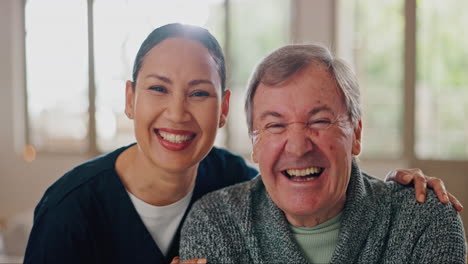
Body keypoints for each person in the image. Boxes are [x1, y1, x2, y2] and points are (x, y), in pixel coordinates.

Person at [23, 24, 460, 264]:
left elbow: (300, 181)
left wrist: (398, 192)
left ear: (224, 109)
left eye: (198, 92)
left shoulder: (233, 178)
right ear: (129, 100)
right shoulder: (70, 212)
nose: (177, 113)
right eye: (157, 88)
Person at [180, 44, 467, 263]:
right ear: (255, 143)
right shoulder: (215, 222)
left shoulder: (424, 219)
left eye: (319, 121)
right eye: (275, 125)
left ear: (356, 134)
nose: (297, 146)